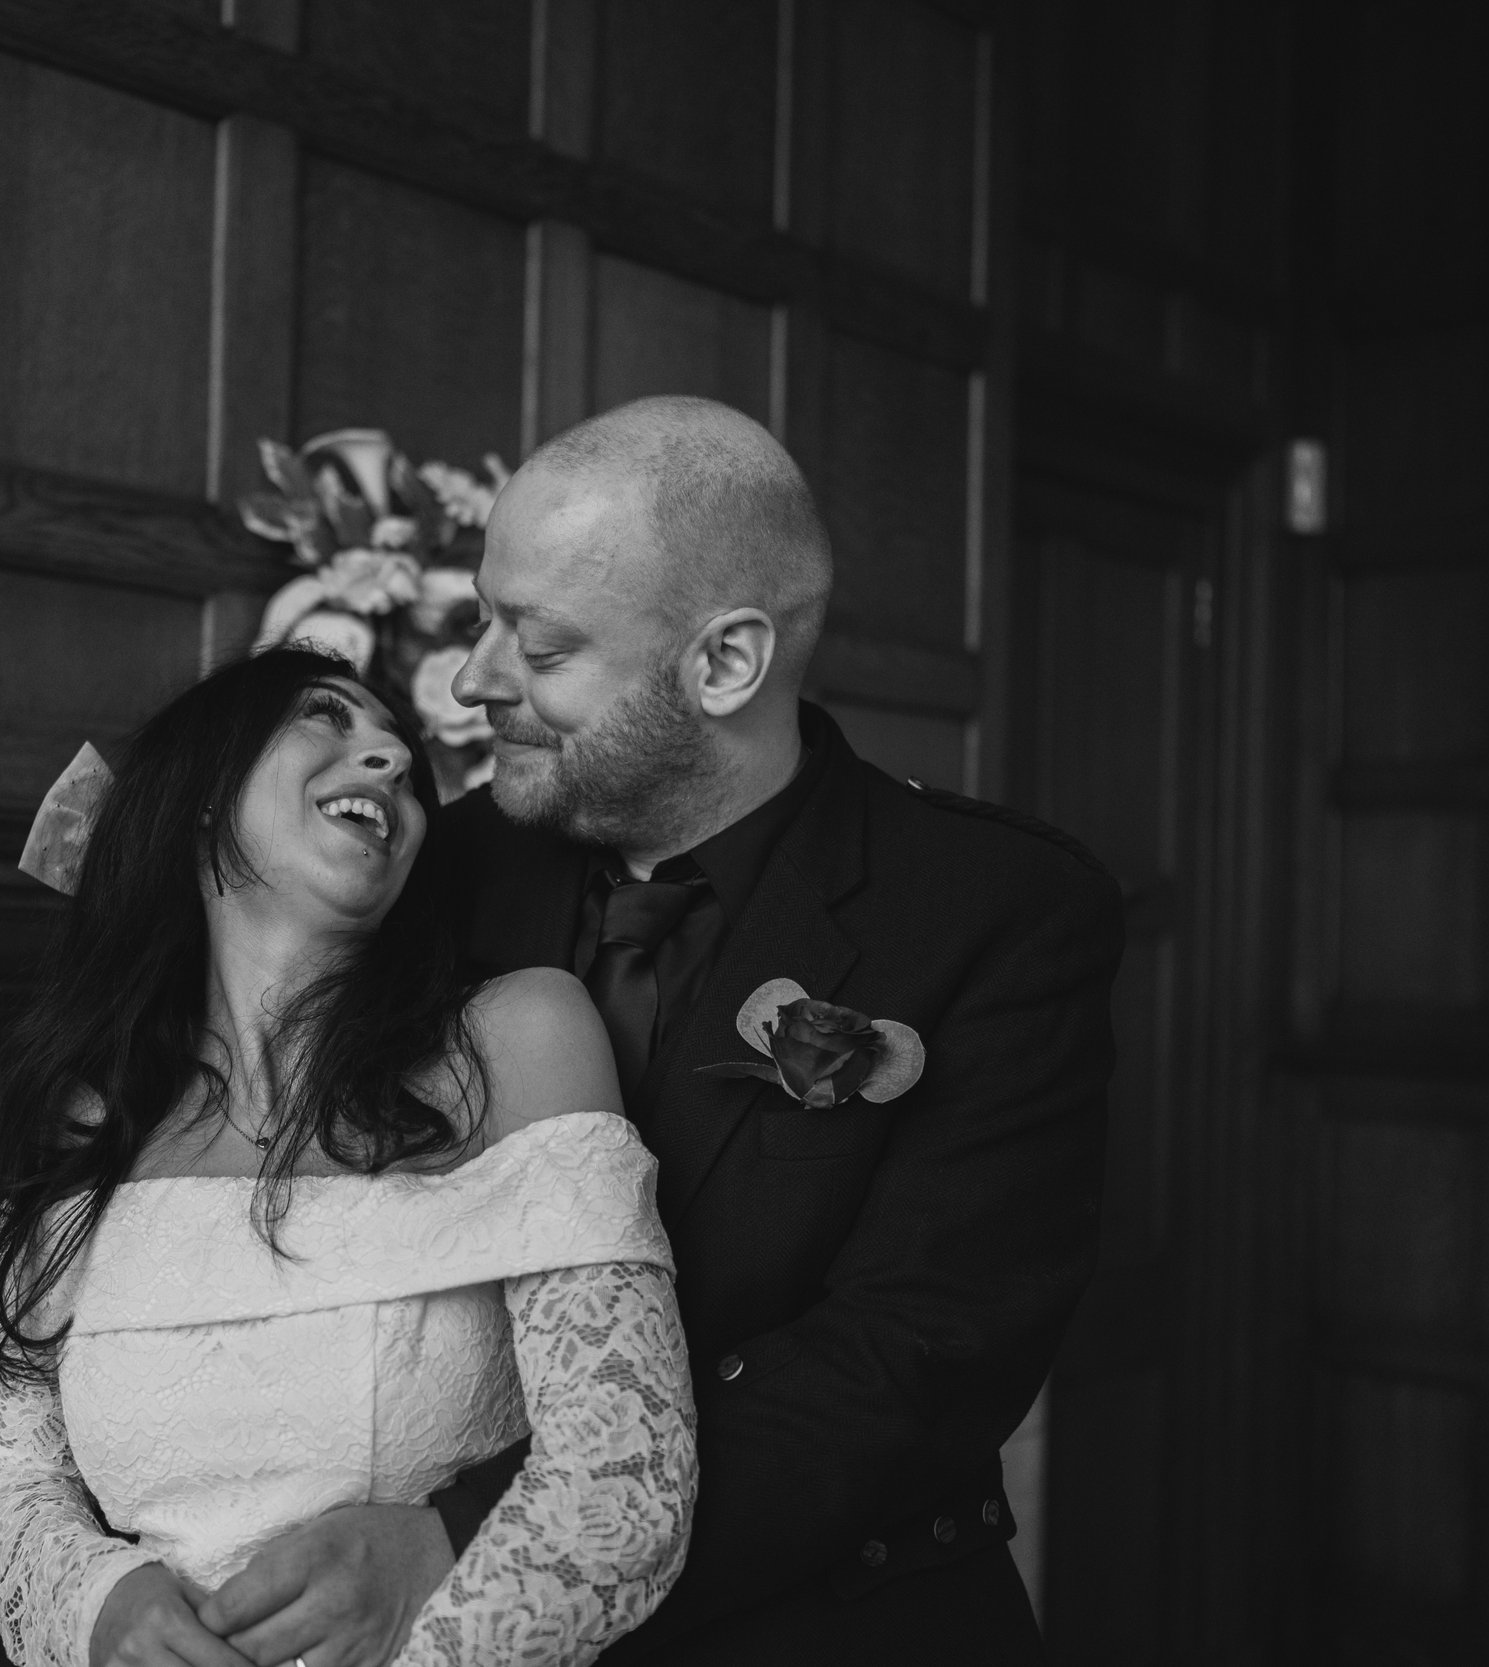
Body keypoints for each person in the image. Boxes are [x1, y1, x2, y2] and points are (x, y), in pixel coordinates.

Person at [197, 397, 1123, 1663]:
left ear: (725, 663)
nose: (473, 679)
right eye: (480, 614)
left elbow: (911, 1359)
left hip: (820, 1620)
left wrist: (470, 1543)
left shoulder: (994, 910)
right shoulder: (435, 870)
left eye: (539, 641)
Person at [0, 648, 698, 1667]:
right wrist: (97, 1605)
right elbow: (13, 1475)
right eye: (325, 716)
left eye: (399, 752)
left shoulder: (518, 1037)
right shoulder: (84, 1118)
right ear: (202, 798)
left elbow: (624, 1476)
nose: (390, 755)